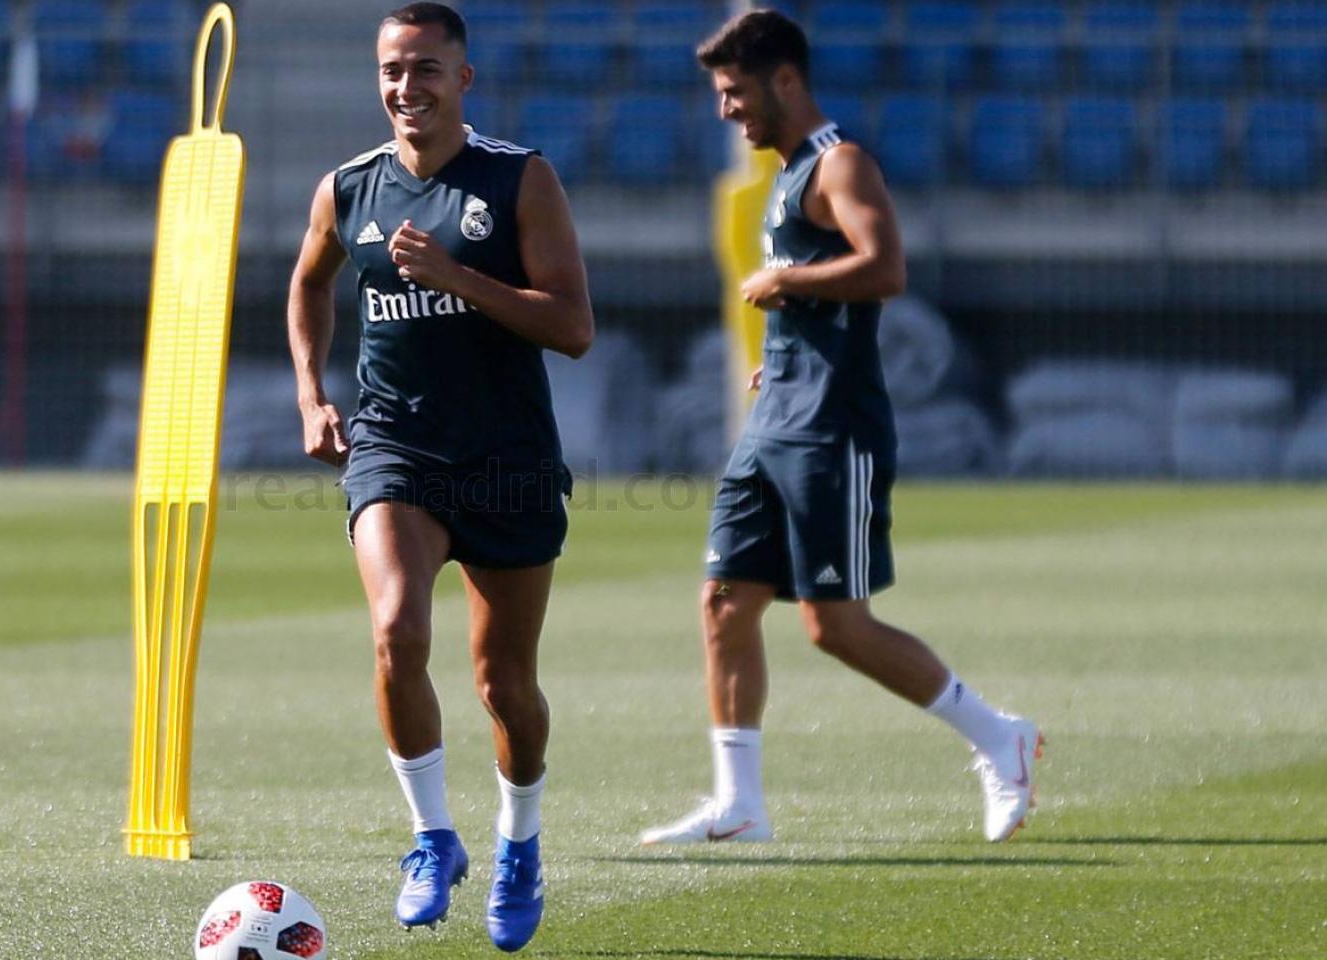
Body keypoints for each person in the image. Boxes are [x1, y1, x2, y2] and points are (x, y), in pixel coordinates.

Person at [642, 9, 1042, 848]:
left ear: (786, 81)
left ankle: (1000, 736)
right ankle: (738, 803)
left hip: (834, 427)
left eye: (736, 92)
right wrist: (785, 346)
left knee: (836, 625)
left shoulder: (840, 162)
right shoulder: (784, 175)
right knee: (724, 601)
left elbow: (885, 266)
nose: (726, 110)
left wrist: (790, 285)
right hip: (776, 415)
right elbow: (823, 296)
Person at [285, 3, 593, 950]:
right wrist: (311, 395)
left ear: (464, 78)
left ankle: (519, 846)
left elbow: (572, 327)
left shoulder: (518, 179)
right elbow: (308, 284)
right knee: (394, 630)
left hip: (507, 462)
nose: (405, 87)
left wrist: (461, 279)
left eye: (425, 69)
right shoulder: (348, 187)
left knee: (506, 687)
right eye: (390, 70)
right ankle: (431, 839)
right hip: (396, 446)